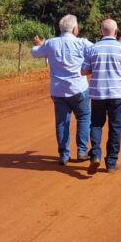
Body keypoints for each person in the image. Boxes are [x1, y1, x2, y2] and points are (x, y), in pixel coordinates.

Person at [30, 14, 93, 165]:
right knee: (83, 118)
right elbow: (97, 51)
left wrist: (39, 45)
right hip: (79, 88)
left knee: (62, 122)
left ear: (60, 28)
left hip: (58, 91)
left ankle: (64, 155)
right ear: (74, 29)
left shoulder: (51, 43)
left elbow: (35, 52)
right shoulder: (82, 43)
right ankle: (82, 151)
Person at [81, 19, 121, 174]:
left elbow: (84, 71)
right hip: (116, 93)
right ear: (116, 32)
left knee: (96, 124)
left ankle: (96, 155)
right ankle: (111, 162)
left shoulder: (93, 48)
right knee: (115, 127)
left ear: (101, 32)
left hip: (97, 93)